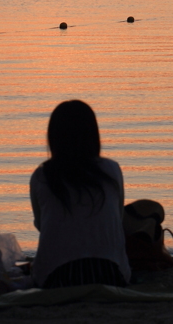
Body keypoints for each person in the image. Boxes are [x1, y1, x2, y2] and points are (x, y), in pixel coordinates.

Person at [29, 100, 130, 288]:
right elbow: (118, 216)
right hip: (111, 274)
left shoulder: (42, 175)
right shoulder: (111, 170)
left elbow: (42, 225)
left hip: (56, 277)